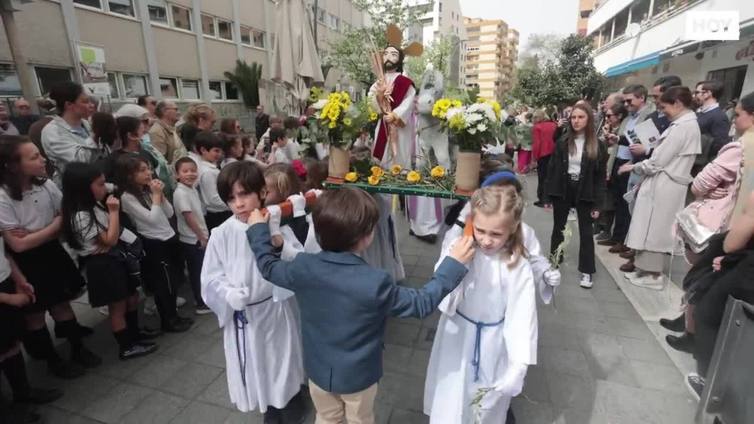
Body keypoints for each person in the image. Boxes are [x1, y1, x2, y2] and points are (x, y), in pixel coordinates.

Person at [247, 186, 474, 424]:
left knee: (326, 417)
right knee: (360, 419)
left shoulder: (303, 267)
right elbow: (421, 303)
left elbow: (268, 266)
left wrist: (257, 230)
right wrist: (453, 263)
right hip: (359, 376)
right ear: (367, 236)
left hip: (318, 369)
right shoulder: (374, 282)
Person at [200, 161, 307, 421]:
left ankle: (290, 405)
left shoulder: (274, 221)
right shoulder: (221, 233)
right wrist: (228, 293)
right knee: (258, 365)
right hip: (246, 315)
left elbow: (301, 262)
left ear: (261, 192)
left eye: (244, 194)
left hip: (275, 308)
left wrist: (281, 245)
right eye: (231, 197)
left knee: (283, 361)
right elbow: (211, 277)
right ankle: (270, 407)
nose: (238, 204)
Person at [424, 185, 537, 423]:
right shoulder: (462, 250)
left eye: (496, 234)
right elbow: (443, 298)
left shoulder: (517, 266)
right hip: (456, 335)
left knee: (484, 406)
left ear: (513, 228)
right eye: (480, 230)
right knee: (451, 398)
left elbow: (522, 317)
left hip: (491, 344)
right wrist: (457, 265)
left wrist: (519, 365)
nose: (486, 241)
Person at [0, 136, 100, 379]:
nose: (42, 159)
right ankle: (53, 361)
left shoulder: (45, 184)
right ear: (12, 166)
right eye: (33, 156)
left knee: (62, 303)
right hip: (25, 263)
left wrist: (36, 232)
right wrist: (52, 226)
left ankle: (78, 349)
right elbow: (18, 245)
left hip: (51, 253)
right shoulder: (3, 197)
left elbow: (64, 217)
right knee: (35, 314)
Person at [661, 91, 754, 350]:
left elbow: (701, 183)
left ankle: (692, 334)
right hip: (742, 226)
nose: (732, 122)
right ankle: (687, 321)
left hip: (728, 225)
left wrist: (713, 191)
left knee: (702, 277)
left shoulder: (740, 148)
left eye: (737, 115)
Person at [60, 162, 158, 360]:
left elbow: (109, 237)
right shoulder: (81, 215)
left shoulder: (92, 202)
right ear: (82, 188)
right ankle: (126, 346)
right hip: (102, 265)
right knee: (118, 306)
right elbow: (110, 239)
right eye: (100, 184)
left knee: (131, 297)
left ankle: (135, 334)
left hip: (113, 257)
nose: (105, 188)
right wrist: (113, 212)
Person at [619, 86, 701, 289]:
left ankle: (654, 275)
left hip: (664, 185)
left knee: (655, 230)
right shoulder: (683, 125)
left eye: (664, 106)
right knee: (650, 227)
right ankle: (646, 270)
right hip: (664, 184)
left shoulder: (683, 127)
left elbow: (657, 161)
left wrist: (633, 166)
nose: (662, 111)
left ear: (678, 103)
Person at [115, 155, 193, 333]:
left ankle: (174, 316)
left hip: (168, 238)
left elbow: (169, 212)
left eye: (148, 168)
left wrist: (161, 196)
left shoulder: (148, 190)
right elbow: (152, 219)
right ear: (128, 175)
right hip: (153, 244)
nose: (148, 173)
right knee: (162, 285)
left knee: (172, 281)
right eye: (142, 170)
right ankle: (168, 320)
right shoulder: (127, 197)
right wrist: (157, 196)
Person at [0, 237, 63, 423]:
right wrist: (10, 299)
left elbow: (4, 254)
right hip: (3, 296)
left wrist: (19, 280)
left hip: (5, 284)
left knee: (12, 345)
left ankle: (23, 394)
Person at [546, 103, 607, 289]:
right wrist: (547, 197)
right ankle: (555, 262)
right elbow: (553, 169)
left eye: (581, 117)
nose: (576, 121)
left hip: (585, 189)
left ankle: (587, 270)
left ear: (589, 120)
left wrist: (598, 204)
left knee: (586, 232)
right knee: (558, 228)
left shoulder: (598, 145)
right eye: (573, 117)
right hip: (563, 188)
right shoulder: (563, 141)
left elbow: (600, 177)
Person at [368, 29, 421, 168]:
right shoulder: (379, 81)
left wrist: (396, 115)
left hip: (399, 127)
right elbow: (370, 98)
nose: (388, 57)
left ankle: (400, 177)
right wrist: (379, 98)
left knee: (400, 154)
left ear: (400, 59)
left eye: (393, 54)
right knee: (382, 156)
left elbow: (408, 101)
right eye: (385, 54)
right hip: (383, 124)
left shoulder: (405, 82)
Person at [40, 82, 104, 186]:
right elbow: (80, 161)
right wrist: (96, 135)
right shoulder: (52, 132)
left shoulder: (87, 124)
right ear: (69, 104)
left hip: (96, 184)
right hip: (73, 189)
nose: (91, 105)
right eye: (85, 101)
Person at [172, 157, 211, 316]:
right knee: (197, 272)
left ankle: (202, 298)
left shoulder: (191, 189)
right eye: (185, 171)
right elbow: (188, 216)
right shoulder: (180, 192)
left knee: (201, 269)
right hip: (192, 239)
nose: (190, 174)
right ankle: (201, 303)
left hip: (197, 236)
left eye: (193, 170)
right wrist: (201, 237)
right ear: (177, 175)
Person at [596, 101, 629, 245]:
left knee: (614, 202)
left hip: (618, 166)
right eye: (605, 115)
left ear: (619, 116)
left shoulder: (623, 129)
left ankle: (611, 231)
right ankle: (603, 227)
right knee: (606, 198)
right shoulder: (608, 128)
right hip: (607, 165)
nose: (607, 118)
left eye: (609, 115)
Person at [195, 131, 232, 230]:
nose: (219, 154)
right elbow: (212, 199)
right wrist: (232, 204)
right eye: (216, 151)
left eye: (220, 151)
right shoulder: (208, 172)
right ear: (203, 150)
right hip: (218, 214)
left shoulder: (209, 168)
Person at [694, 80, 731, 162]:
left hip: (701, 163)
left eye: (697, 92)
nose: (694, 95)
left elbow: (720, 144)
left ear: (707, 94)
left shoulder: (719, 117)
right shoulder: (699, 112)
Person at [148, 100, 187, 167]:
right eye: (176, 109)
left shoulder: (173, 128)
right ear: (164, 111)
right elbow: (160, 161)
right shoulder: (157, 131)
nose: (179, 113)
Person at [531, 109, 557, 208]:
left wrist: (534, 159)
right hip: (554, 154)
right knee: (552, 177)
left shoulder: (537, 127)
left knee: (543, 178)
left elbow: (537, 144)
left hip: (543, 154)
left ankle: (543, 199)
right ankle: (551, 198)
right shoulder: (553, 125)